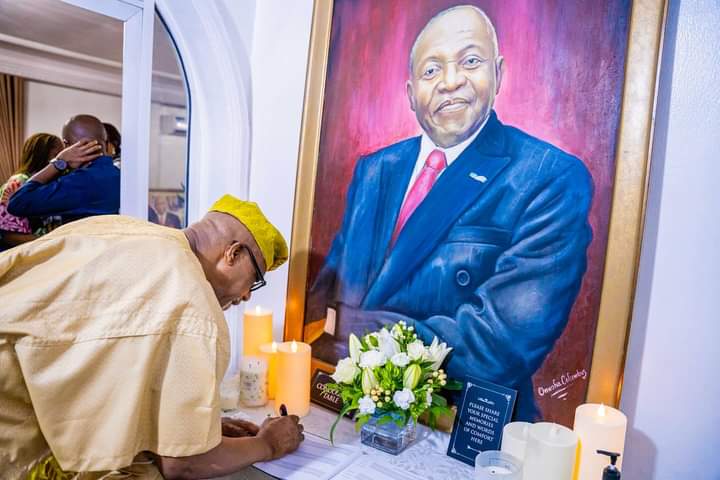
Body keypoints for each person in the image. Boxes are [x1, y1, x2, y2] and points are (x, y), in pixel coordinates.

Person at [306, 5, 593, 421]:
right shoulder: (374, 170)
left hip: (459, 427)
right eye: (430, 71)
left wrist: (352, 328)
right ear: (410, 95)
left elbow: (496, 346)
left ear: (499, 74)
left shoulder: (549, 177)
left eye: (470, 61)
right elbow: (324, 296)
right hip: (347, 406)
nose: (450, 81)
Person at [0, 194, 303, 478]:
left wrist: (194, 428)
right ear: (233, 253)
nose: (247, 295)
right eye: (255, 279)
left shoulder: (124, 229)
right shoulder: (194, 302)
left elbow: (102, 357)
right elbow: (183, 465)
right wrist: (269, 444)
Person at [7, 114, 120, 225]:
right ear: (106, 141)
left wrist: (58, 162)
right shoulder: (121, 176)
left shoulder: (78, 182)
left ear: (66, 146)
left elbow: (17, 203)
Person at [0, 133, 62, 249]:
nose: (63, 163)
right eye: (57, 157)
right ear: (41, 155)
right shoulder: (18, 183)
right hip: (26, 254)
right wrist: (51, 244)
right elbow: (10, 235)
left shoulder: (54, 183)